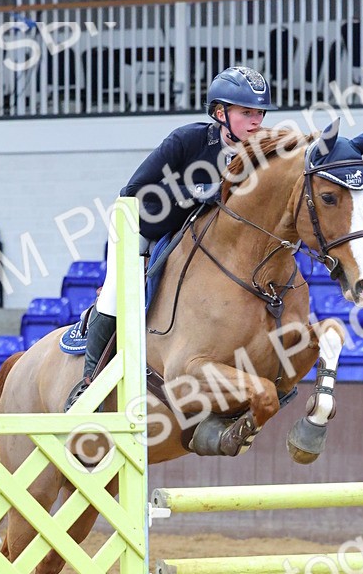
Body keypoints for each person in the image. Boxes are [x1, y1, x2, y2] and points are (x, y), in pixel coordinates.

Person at [64, 66, 277, 410]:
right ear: (220, 113)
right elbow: (133, 191)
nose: (256, 121)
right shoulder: (187, 140)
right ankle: (89, 384)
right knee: (118, 293)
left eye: (260, 113)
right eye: (246, 113)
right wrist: (196, 191)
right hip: (141, 225)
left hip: (195, 237)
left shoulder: (263, 151)